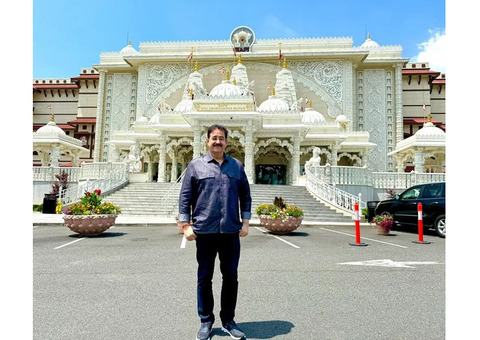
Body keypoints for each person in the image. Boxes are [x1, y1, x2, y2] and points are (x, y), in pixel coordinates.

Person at [178, 124, 251, 340]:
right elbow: (185, 198)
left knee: (230, 277)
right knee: (204, 278)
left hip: (230, 231)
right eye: (214, 138)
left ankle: (228, 321)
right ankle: (206, 321)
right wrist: (185, 226)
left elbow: (245, 196)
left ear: (227, 142)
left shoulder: (236, 167)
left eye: (221, 138)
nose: (218, 142)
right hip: (205, 232)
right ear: (207, 141)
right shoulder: (195, 166)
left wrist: (245, 223)